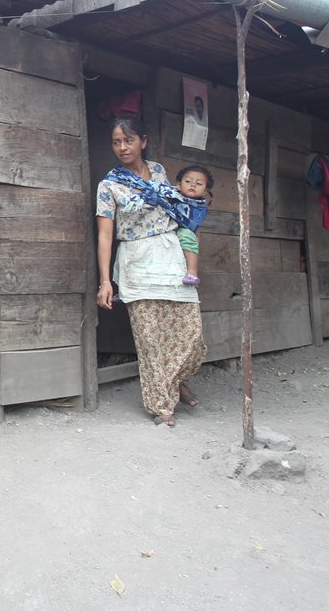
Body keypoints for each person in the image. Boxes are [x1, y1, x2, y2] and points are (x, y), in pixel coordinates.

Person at [95, 118, 206, 427]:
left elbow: (176, 205)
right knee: (150, 340)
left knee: (192, 334)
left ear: (142, 141)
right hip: (137, 259)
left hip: (170, 257)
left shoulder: (158, 171)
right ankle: (162, 406)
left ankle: (175, 380)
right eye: (116, 142)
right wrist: (105, 281)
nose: (122, 147)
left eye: (128, 140)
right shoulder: (109, 185)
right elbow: (105, 235)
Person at [174, 165, 214, 286]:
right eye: (187, 181)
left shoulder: (200, 206)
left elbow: (191, 223)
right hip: (165, 229)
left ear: (206, 190)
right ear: (178, 184)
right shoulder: (171, 195)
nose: (192, 185)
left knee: (187, 237)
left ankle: (192, 273)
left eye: (199, 183)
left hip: (183, 230)